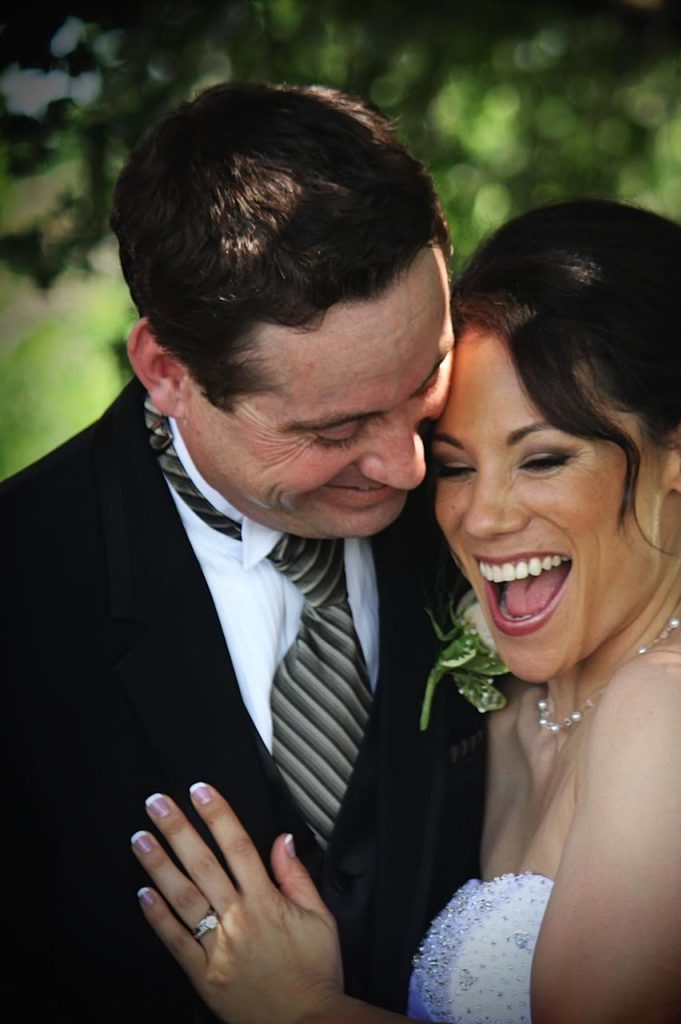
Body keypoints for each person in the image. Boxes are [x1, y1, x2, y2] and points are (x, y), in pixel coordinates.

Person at [127, 199, 681, 1023]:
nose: (482, 516)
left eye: (543, 458)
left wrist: (296, 1008)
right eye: (455, 468)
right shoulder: (508, 706)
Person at [1, 82, 486, 1021]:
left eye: (426, 374)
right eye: (336, 427)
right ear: (168, 374)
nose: (407, 464)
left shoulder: (496, 500)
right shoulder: (25, 586)